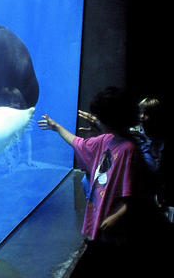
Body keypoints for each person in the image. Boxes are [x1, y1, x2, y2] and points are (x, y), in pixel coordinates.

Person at [38, 87, 141, 242]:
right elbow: (78, 143)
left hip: (116, 225)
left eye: (101, 118)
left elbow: (134, 195)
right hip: (101, 216)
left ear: (111, 119)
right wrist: (57, 128)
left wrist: (116, 217)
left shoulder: (129, 149)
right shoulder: (105, 140)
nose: (96, 120)